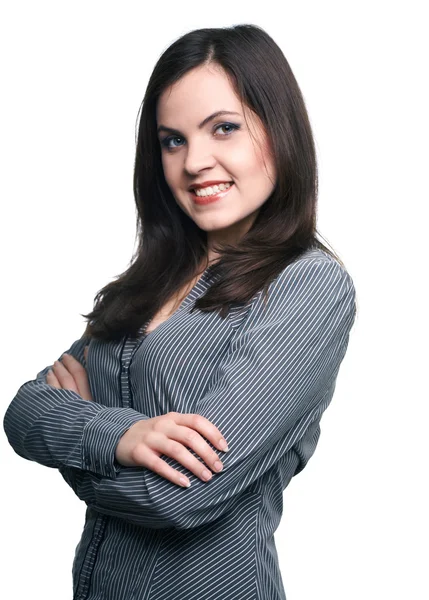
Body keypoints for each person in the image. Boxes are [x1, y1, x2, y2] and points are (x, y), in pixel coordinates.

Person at [3, 23, 357, 600]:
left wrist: (75, 445)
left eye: (224, 129)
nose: (195, 162)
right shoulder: (145, 286)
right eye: (173, 140)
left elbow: (181, 494)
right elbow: (23, 411)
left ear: (279, 129)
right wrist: (123, 435)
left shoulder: (308, 285)